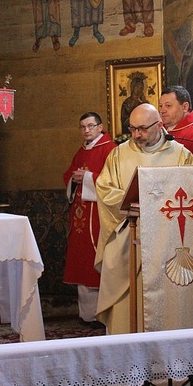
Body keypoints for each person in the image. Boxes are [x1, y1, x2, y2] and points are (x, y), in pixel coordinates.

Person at [95, 103, 193, 334]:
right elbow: (105, 190)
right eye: (132, 129)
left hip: (168, 240)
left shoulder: (181, 154)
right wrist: (135, 203)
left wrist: (158, 206)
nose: (136, 135)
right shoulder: (118, 155)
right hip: (129, 234)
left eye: (142, 129)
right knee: (125, 313)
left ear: (159, 125)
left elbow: (192, 196)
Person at [62, 112, 116, 326]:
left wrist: (86, 178)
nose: (86, 130)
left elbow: (112, 181)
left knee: (95, 260)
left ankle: (100, 314)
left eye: (90, 126)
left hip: (98, 215)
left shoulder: (110, 149)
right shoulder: (82, 150)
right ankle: (86, 314)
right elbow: (68, 175)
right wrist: (75, 180)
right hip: (81, 215)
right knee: (82, 261)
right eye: (82, 127)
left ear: (100, 127)